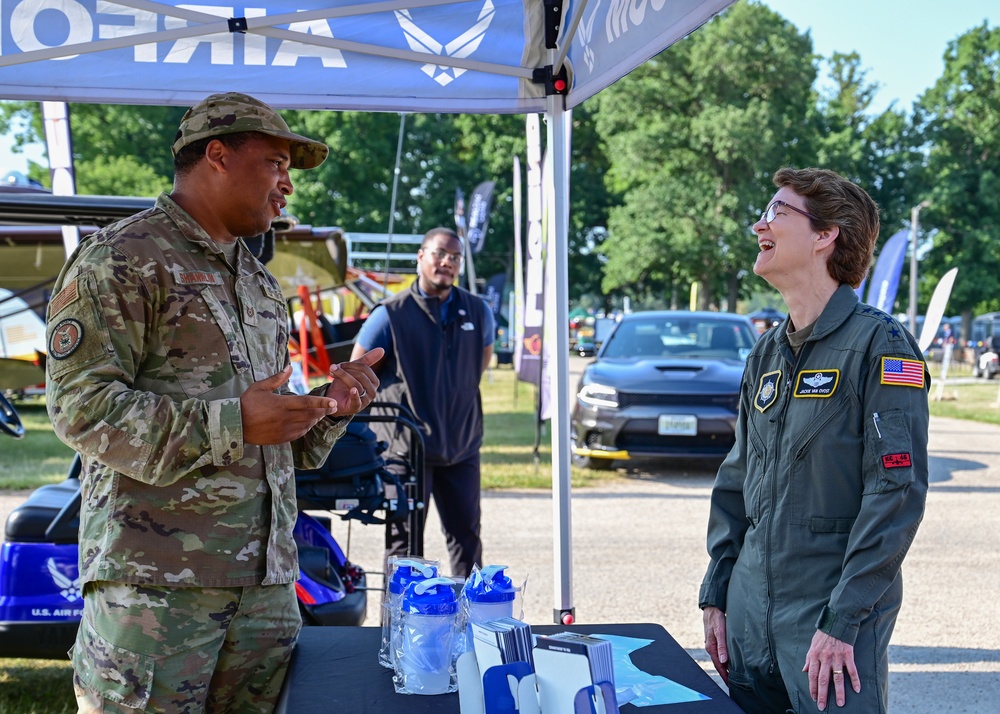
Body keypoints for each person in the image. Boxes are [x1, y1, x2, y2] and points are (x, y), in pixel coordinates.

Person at [45, 91, 383, 713]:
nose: (287, 185)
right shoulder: (124, 258)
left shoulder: (257, 280)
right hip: (156, 591)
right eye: (275, 164)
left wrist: (327, 408)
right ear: (218, 155)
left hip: (264, 591)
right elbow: (79, 407)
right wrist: (233, 422)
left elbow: (267, 433)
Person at [699, 167, 929, 713]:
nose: (760, 225)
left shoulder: (883, 345)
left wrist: (842, 620)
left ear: (826, 235)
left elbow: (894, 495)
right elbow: (736, 479)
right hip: (750, 624)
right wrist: (718, 594)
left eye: (777, 212)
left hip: (829, 630)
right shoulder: (765, 353)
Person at [350, 227, 494, 579]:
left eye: (455, 257)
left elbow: (481, 363)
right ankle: (400, 632)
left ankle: (467, 627)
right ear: (421, 256)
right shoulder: (391, 314)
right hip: (406, 451)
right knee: (404, 550)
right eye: (439, 253)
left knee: (467, 542)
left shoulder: (478, 311)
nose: (447, 262)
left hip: (461, 447)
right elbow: (356, 372)